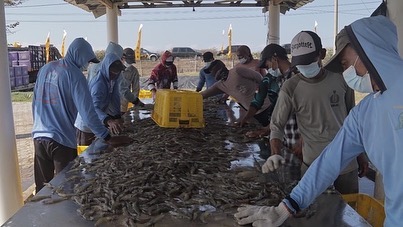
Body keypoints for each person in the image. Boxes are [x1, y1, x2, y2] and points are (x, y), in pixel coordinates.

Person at [234, 16, 398, 226]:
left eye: (346, 62)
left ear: (368, 49)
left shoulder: (356, 92)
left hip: (349, 173)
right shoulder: (366, 110)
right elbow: (330, 159)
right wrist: (286, 207)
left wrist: (361, 158)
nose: (346, 70)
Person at [32, 38, 132, 193]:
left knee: (42, 188)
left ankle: (39, 217)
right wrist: (107, 137)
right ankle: (63, 217)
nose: (87, 64)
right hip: (61, 140)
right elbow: (88, 112)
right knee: (66, 187)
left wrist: (37, 126)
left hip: (39, 136)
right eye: (87, 60)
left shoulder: (46, 68)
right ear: (78, 54)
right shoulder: (75, 75)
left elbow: (35, 103)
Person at [75, 53, 126, 146]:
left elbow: (115, 97)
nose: (114, 74)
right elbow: (94, 108)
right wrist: (109, 121)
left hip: (98, 122)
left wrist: (117, 117)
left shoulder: (112, 80)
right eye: (112, 72)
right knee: (87, 155)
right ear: (106, 69)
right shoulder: (99, 85)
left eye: (117, 72)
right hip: (86, 124)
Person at [200, 60, 271, 127]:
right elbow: (203, 94)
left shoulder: (237, 71)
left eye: (213, 70)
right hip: (253, 112)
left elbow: (258, 77)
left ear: (220, 68)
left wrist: (262, 89)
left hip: (267, 106)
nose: (212, 73)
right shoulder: (220, 85)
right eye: (210, 72)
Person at [119, 47, 145, 114]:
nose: (129, 64)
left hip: (124, 104)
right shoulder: (115, 68)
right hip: (111, 103)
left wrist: (135, 102)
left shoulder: (133, 71)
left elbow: (135, 88)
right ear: (122, 58)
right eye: (128, 61)